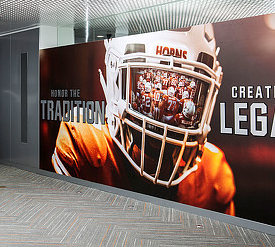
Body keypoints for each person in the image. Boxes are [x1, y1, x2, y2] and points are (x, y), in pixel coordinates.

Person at [51, 24, 235, 215]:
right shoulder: (88, 144)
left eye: (188, 91)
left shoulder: (212, 171)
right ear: (116, 76)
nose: (162, 125)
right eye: (142, 86)